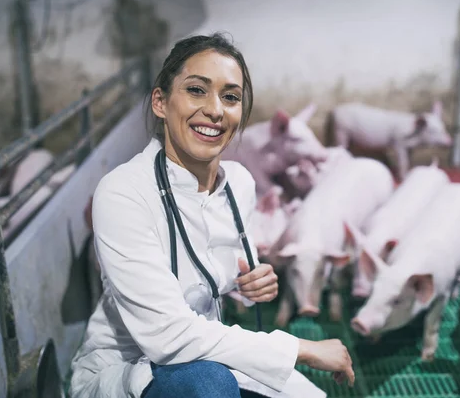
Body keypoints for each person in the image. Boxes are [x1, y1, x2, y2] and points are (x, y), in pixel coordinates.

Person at [68, 32, 355, 398]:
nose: (216, 110)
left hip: (209, 351)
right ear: (160, 102)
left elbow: (223, 274)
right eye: (196, 90)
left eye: (231, 97)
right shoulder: (123, 192)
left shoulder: (240, 183)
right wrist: (301, 348)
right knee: (208, 387)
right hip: (134, 367)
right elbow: (167, 335)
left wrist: (249, 287)